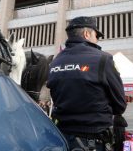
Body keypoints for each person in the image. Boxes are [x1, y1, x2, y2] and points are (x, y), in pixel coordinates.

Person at [47, 16, 127, 151]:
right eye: (96, 35)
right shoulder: (103, 59)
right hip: (93, 140)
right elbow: (120, 105)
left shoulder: (55, 62)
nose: (97, 39)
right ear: (86, 34)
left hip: (61, 138)